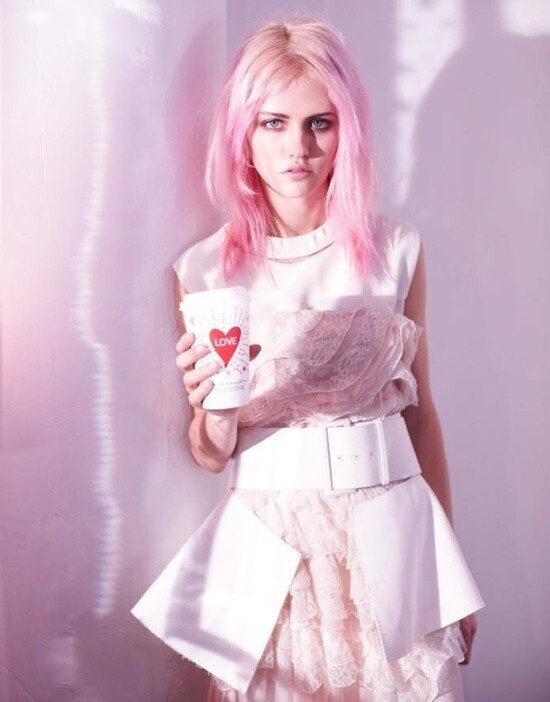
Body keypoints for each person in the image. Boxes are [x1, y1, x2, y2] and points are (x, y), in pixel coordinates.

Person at [132, 17, 484, 701]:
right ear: (243, 131)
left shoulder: (396, 251)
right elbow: (210, 452)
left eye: (320, 123)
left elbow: (421, 416)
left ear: (347, 129)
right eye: (274, 123)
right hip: (271, 557)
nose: (298, 147)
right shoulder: (204, 271)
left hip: (393, 537)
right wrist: (218, 411)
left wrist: (451, 573)